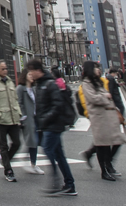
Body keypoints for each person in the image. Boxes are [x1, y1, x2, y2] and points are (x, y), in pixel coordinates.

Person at [28, 58, 76, 196]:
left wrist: (44, 119)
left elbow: (57, 105)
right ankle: (69, 184)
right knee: (58, 154)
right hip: (49, 125)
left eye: (31, 70)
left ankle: (56, 181)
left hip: (53, 125)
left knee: (49, 150)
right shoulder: (40, 84)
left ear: (38, 70)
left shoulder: (49, 84)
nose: (30, 73)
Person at [75, 60, 123, 180]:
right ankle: (105, 171)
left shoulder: (98, 82)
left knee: (109, 143)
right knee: (102, 145)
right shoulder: (87, 83)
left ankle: (107, 167)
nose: (98, 70)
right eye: (96, 68)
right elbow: (93, 98)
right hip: (99, 117)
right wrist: (105, 97)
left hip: (106, 116)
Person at [17, 68, 44, 175]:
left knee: (34, 141)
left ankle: (28, 160)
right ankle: (33, 164)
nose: (32, 76)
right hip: (27, 119)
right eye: (29, 74)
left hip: (35, 118)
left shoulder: (33, 88)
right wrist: (23, 116)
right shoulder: (20, 88)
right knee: (32, 141)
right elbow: (19, 102)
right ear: (25, 75)